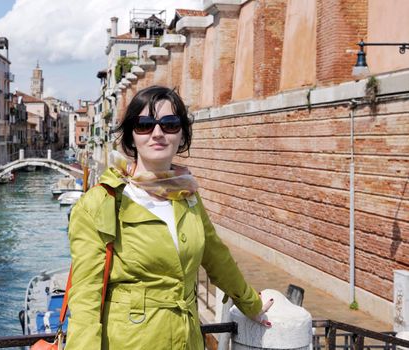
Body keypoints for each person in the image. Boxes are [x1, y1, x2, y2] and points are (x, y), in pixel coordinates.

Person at [66, 85, 272, 349]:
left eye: (170, 124)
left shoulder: (187, 196)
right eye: (144, 125)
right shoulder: (101, 202)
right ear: (131, 136)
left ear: (182, 133)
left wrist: (251, 304)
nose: (157, 133)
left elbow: (216, 257)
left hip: (187, 339)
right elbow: (86, 298)